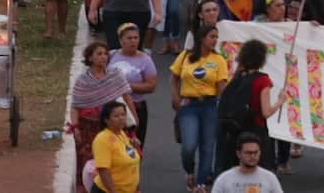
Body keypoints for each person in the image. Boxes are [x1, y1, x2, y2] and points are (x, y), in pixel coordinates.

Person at [68, 41, 135, 193]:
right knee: (90, 166)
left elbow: (127, 99)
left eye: (105, 54)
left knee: (115, 161)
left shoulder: (115, 74)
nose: (103, 57)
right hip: (88, 131)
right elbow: (75, 106)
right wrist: (75, 128)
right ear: (90, 58)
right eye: (99, 54)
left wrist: (133, 124)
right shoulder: (82, 81)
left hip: (114, 128)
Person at [171, 22, 229, 193]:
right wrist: (175, 97)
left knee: (207, 147)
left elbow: (222, 86)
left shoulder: (219, 60)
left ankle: (201, 184)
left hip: (210, 106)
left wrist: (222, 105)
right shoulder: (185, 56)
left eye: (216, 37)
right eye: (212, 37)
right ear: (201, 38)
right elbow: (174, 77)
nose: (215, 40)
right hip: (189, 105)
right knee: (188, 146)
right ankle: (189, 171)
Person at [216, 38, 285, 174]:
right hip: (256, 130)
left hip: (235, 131)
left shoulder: (238, 77)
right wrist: (280, 101)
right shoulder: (262, 80)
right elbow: (266, 112)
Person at [108, 22, 157, 142]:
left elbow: (151, 86)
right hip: (112, 108)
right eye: (129, 38)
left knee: (135, 146)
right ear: (121, 40)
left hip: (137, 107)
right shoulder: (111, 55)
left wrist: (125, 87)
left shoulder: (145, 60)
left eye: (136, 38)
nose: (133, 41)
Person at [88, 100, 140, 193]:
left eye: (123, 115)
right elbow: (103, 170)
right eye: (116, 116)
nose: (121, 118)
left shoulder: (122, 134)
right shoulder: (102, 139)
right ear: (106, 120)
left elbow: (131, 164)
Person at [211, 132, 285, 193]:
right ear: (238, 154)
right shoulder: (224, 179)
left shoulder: (270, 178)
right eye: (248, 153)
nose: (253, 156)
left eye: (256, 152)